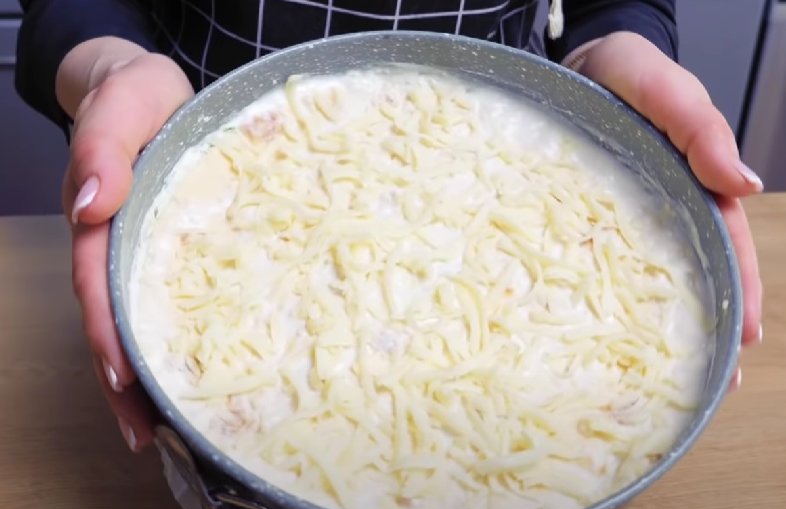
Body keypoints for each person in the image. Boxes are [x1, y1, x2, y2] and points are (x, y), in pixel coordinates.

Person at [16, 0, 763, 454]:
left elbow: (611, 4)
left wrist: (620, 45)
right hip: (203, 166)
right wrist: (109, 64)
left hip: (515, 165)